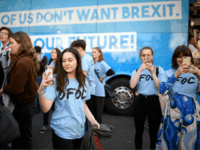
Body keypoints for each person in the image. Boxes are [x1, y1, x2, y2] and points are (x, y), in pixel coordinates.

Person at [38, 47, 100, 149]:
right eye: (63, 60)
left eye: (70, 60)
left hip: (80, 131)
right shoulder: (56, 81)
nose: (66, 63)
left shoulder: (85, 81)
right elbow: (45, 108)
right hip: (61, 131)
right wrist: (40, 91)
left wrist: (93, 121)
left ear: (77, 61)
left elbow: (83, 104)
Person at [156, 45, 200, 150]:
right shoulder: (168, 73)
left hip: (191, 113)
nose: (181, 59)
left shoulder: (196, 73)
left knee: (188, 141)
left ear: (190, 58)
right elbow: (162, 90)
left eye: (185, 56)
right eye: (179, 56)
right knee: (171, 139)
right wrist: (176, 74)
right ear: (175, 58)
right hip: (173, 112)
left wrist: (198, 74)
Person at [0, 31, 39, 149]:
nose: (10, 46)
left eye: (11, 43)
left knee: (22, 138)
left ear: (21, 43)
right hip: (27, 104)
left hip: (24, 106)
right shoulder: (25, 58)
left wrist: (2, 90)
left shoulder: (22, 62)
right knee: (24, 136)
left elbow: (16, 88)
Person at [129, 46, 166, 150]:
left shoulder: (159, 70)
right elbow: (132, 85)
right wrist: (140, 70)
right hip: (140, 101)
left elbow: (160, 88)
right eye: (143, 55)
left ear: (152, 56)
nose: (146, 57)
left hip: (154, 101)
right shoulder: (136, 70)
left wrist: (152, 73)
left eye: (148, 55)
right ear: (140, 57)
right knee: (139, 130)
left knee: (153, 132)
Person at [39, 48, 61, 134]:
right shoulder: (50, 63)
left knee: (57, 108)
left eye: (55, 52)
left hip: (58, 89)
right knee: (46, 108)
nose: (53, 54)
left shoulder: (61, 64)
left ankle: (57, 125)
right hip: (49, 88)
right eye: (52, 52)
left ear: (58, 54)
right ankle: (45, 125)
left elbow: (62, 76)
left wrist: (54, 77)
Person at [91, 47, 115, 123]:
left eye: (95, 52)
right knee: (92, 113)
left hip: (99, 91)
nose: (93, 53)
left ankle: (98, 131)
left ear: (99, 53)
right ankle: (93, 131)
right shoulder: (91, 63)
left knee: (98, 114)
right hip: (91, 91)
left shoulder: (102, 63)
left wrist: (103, 77)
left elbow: (111, 72)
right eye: (92, 52)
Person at [35, 46, 47, 111]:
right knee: (35, 93)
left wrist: (39, 60)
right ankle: (36, 107)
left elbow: (44, 67)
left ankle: (39, 108)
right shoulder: (33, 57)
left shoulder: (44, 57)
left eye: (36, 53)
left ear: (39, 52)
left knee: (39, 93)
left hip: (40, 77)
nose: (35, 54)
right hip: (34, 76)